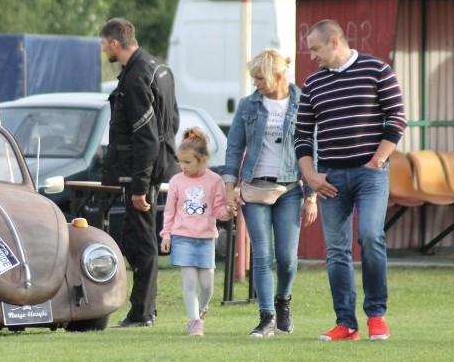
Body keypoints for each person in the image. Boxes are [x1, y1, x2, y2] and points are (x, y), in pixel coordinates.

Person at [295, 19, 406, 341]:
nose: (312, 56)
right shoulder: (313, 84)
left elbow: (397, 118)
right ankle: (346, 323)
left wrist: (378, 160)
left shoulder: (377, 70)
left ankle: (376, 317)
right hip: (330, 177)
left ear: (333, 42)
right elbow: (301, 135)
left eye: (315, 48)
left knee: (371, 237)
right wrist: (310, 175)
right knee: (337, 251)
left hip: (370, 174)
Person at [222, 49, 319, 338]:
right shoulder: (247, 105)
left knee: (288, 258)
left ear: (278, 75)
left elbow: (313, 150)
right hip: (255, 187)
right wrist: (229, 187)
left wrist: (311, 196)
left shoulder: (303, 104)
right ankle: (266, 317)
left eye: (260, 77)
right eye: (253, 78)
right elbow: (234, 147)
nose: (256, 83)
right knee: (262, 255)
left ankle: (283, 301)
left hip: (290, 189)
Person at [99, 17, 179, 328]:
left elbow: (145, 136)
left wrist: (139, 185)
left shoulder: (135, 79)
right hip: (156, 165)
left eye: (104, 44)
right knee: (134, 237)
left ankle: (142, 312)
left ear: (116, 44)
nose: (103, 49)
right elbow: (171, 121)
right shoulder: (159, 67)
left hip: (140, 172)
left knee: (140, 240)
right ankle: (144, 308)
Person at [160, 129, 235, 336]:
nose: (182, 166)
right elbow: (169, 212)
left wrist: (229, 211)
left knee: (207, 285)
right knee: (190, 282)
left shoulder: (215, 181)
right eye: (180, 162)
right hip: (183, 237)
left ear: (202, 160)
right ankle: (194, 322)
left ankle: (201, 310)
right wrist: (166, 235)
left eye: (187, 162)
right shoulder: (176, 181)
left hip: (206, 239)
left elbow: (219, 210)